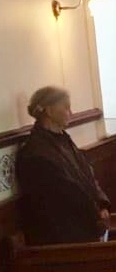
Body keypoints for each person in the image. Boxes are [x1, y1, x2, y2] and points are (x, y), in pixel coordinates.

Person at [15, 86, 110, 245]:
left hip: (84, 224)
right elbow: (66, 191)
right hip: (62, 234)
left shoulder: (63, 139)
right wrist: (95, 213)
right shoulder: (36, 152)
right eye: (66, 107)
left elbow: (87, 173)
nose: (71, 113)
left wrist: (102, 203)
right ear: (50, 111)